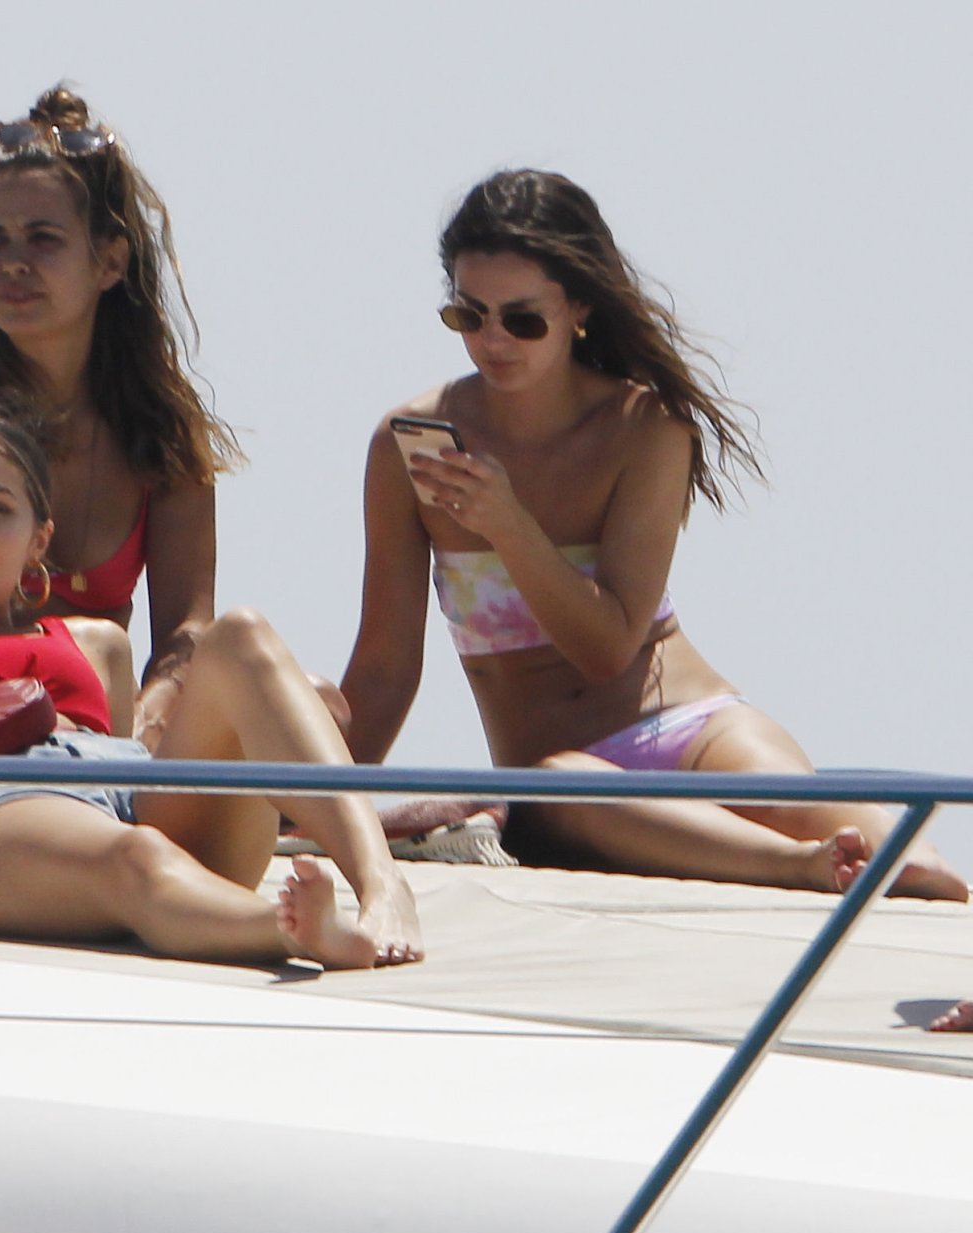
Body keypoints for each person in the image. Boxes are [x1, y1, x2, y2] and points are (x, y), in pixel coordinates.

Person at [339, 169, 967, 900]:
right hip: (564, 781)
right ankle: (797, 866)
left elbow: (608, 647)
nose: (492, 339)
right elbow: (384, 670)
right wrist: (326, 813)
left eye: (522, 320)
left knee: (921, 871)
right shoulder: (409, 447)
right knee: (567, 785)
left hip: (696, 730)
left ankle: (841, 873)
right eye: (469, 315)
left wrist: (508, 525)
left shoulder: (644, 428)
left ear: (579, 307)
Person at [0, 402, 422, 968]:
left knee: (240, 634)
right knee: (133, 856)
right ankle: (294, 932)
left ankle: (381, 883)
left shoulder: (95, 643)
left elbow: (127, 769)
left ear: (38, 540)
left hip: (128, 790)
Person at [0, 86, 261, 751]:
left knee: (316, 701)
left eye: (43, 239)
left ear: (110, 260)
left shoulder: (162, 427)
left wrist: (145, 722)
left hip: (106, 735)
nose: (12, 263)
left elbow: (186, 631)